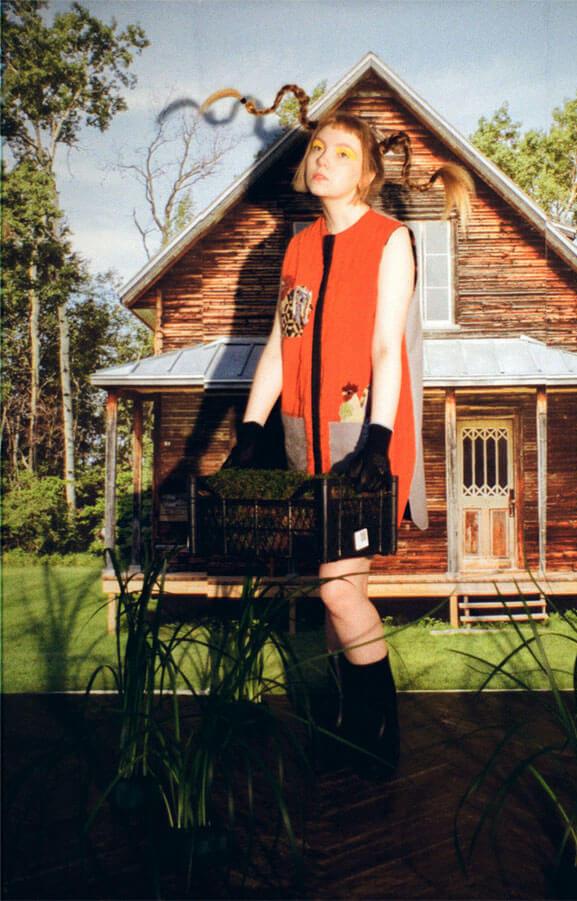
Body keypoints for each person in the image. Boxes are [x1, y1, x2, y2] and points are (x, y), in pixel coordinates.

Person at [204, 89, 472, 778]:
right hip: (303, 438)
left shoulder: (390, 240)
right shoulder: (296, 246)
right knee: (335, 589)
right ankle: (347, 724)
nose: (324, 158)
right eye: (318, 147)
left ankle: (381, 732)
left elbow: (387, 348)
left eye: (343, 153)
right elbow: (280, 343)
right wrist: (252, 429)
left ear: (368, 174)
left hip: (363, 436)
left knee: (337, 590)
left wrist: (379, 439)